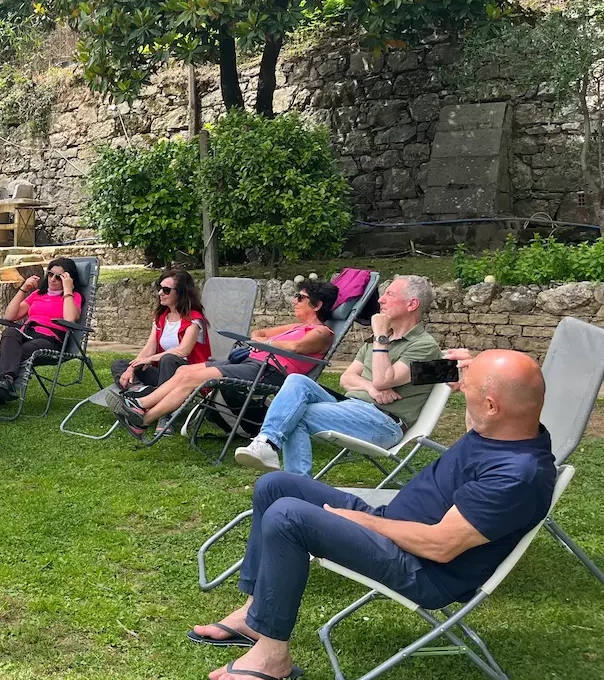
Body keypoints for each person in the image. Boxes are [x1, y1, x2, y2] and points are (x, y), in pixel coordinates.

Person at [188, 350, 556, 680]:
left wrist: (364, 522)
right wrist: (467, 369)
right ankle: (255, 615)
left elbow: (441, 547)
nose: (459, 392)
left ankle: (272, 657)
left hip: (423, 568)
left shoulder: (516, 476)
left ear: (492, 405)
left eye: (468, 389)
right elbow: (488, 403)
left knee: (288, 516)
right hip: (394, 523)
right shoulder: (504, 428)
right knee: (277, 487)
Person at [235, 275, 443, 474]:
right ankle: (267, 444)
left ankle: (295, 483)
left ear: (412, 304)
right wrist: (369, 386)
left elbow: (383, 379)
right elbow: (346, 378)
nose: (381, 299)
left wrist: (380, 335)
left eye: (390, 294)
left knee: (295, 413)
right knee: (297, 381)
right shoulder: (378, 339)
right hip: (349, 406)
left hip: (384, 421)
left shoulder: (423, 346)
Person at [112, 279, 338, 438]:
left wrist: (265, 343)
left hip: (269, 372)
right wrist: (263, 341)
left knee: (195, 379)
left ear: (317, 305)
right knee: (184, 372)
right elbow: (258, 333)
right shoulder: (297, 326)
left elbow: (296, 347)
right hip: (250, 363)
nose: (294, 300)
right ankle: (140, 412)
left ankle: (140, 411)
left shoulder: (321, 333)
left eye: (301, 297)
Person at [0, 257, 82, 421]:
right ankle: (6, 381)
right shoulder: (37, 295)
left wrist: (68, 289)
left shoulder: (73, 296)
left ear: (68, 279)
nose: (53, 279)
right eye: (50, 274)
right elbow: (10, 316)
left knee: (10, 355)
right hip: (26, 333)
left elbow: (70, 319)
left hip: (50, 339)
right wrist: (23, 289)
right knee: (9, 333)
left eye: (59, 277)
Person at [112, 269, 211, 395]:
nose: (160, 293)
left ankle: (155, 399)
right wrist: (131, 368)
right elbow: (149, 348)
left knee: (168, 359)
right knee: (119, 364)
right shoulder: (161, 318)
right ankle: (138, 391)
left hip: (188, 375)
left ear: (181, 293)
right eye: (160, 288)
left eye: (166, 290)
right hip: (164, 375)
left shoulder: (194, 319)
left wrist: (151, 359)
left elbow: (183, 351)